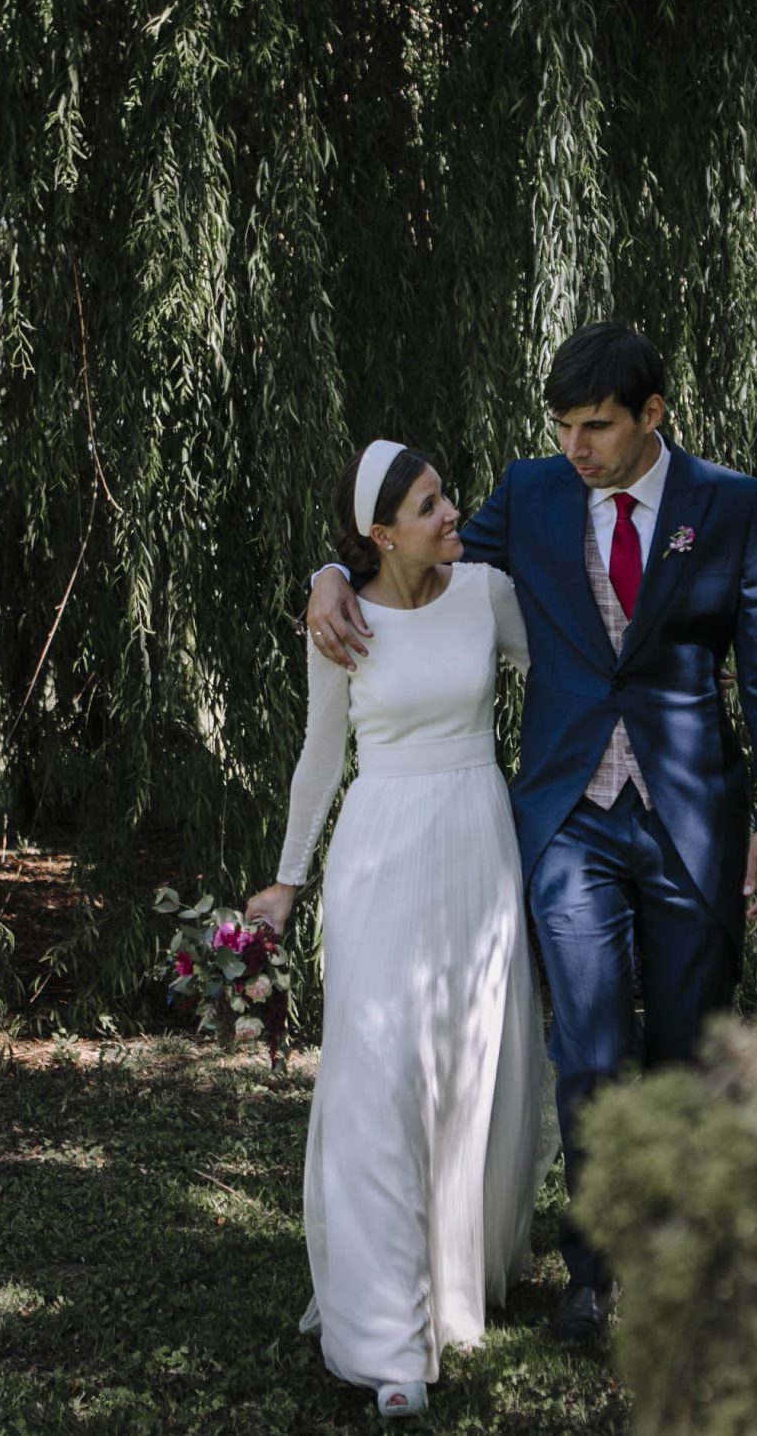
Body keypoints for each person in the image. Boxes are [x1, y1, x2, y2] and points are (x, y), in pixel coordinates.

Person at [306, 322, 757, 1347]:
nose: (577, 448)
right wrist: (324, 572)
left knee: (684, 1045)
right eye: (565, 428)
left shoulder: (730, 505)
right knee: (587, 1042)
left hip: (691, 818)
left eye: (598, 428)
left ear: (651, 417)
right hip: (569, 818)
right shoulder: (532, 494)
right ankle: (590, 1274)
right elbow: (410, 556)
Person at [244, 440, 549, 1422]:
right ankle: (386, 1340)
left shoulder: (487, 592)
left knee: (464, 1066)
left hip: (476, 842)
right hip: (380, 854)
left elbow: (571, 674)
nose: (450, 511)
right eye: (428, 505)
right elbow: (318, 758)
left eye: (444, 494)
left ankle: (450, 1284)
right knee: (378, 1074)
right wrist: (286, 882)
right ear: (380, 533)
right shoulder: (338, 620)